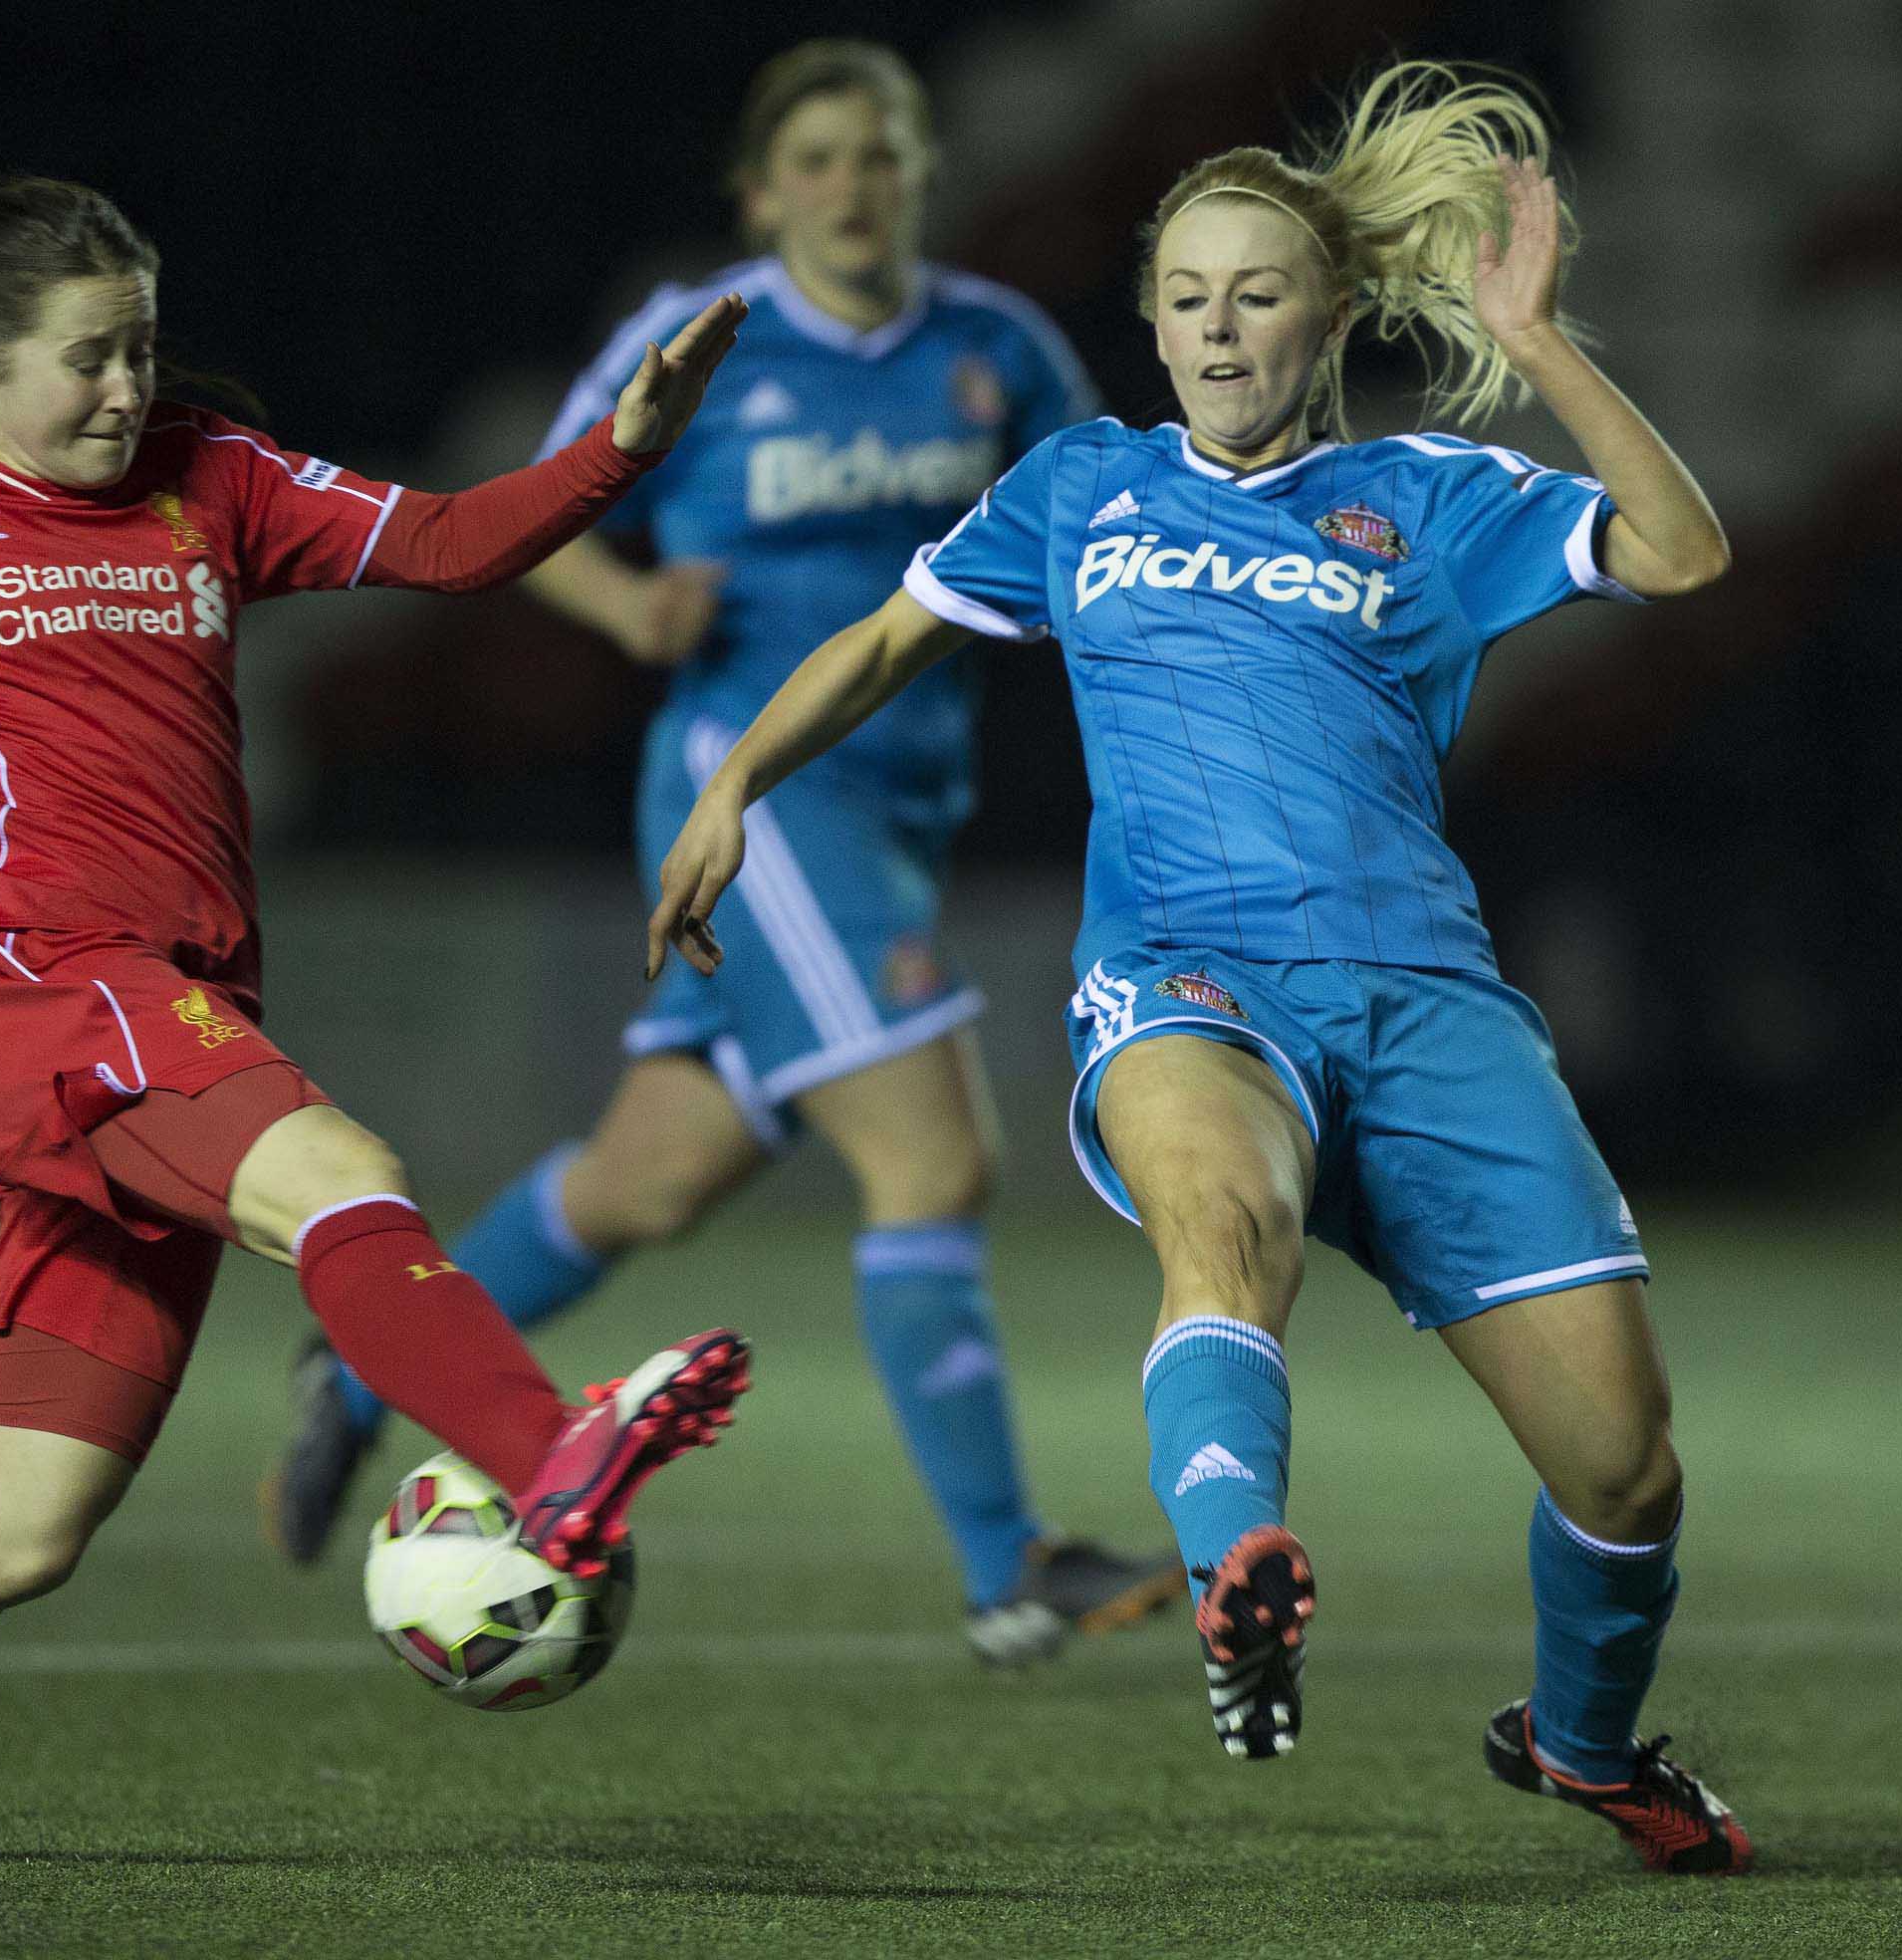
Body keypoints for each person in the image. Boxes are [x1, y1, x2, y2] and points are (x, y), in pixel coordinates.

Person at [0, 172, 754, 1856]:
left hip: (170, 1010)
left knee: (5, 1543)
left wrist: (621, 445)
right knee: (342, 1172)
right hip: (44, 987)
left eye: (142, 349)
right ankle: (553, 1457)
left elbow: (458, 544)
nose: (125, 391)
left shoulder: (214, 480)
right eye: (90, 359)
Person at [644, 63, 1753, 1872]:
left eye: (1255, 294)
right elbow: (882, 642)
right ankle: (1240, 1559)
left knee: (1626, 1471)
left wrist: (1536, 340)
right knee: (1218, 1230)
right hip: (1189, 975)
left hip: (1424, 1001)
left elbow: (1688, 554)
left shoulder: (1428, 494)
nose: (1217, 329)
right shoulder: (1082, 485)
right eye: (1183, 299)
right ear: (1150, 328)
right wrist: (736, 785)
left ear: (1326, 316)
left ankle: (1585, 1747)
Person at [267, 40, 1185, 1666]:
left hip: (899, 810)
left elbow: (1111, 520)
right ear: (762, 193)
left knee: (646, 1178)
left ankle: (355, 1373)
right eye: (819, 159)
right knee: (934, 1157)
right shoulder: (706, 340)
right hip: (752, 803)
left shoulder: (999, 351)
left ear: (919, 176)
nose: (855, 186)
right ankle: (1004, 1569)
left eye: (883, 155)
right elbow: (527, 506)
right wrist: (627, 602)